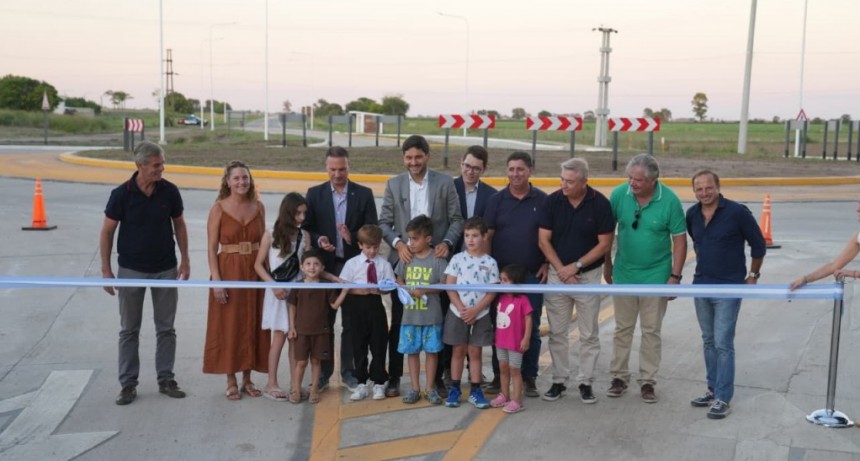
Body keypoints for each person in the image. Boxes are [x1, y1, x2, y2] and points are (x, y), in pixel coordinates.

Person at [99, 141, 189, 406]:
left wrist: (185, 259)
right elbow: (107, 232)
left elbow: (180, 225)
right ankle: (128, 384)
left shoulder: (170, 192)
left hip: (165, 268)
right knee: (129, 330)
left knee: (166, 328)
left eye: (162, 164)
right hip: (130, 270)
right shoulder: (121, 194)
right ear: (140, 166)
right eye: (156, 165)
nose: (161, 169)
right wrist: (106, 270)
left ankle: (166, 379)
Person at [380, 134, 463, 397]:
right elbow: (384, 222)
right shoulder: (394, 185)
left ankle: (435, 381)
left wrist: (447, 243)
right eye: (408, 157)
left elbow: (457, 220)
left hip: (435, 263)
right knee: (400, 324)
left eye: (418, 157)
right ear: (403, 158)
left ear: (427, 156)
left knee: (436, 324)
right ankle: (396, 377)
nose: (413, 162)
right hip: (405, 262)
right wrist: (398, 244)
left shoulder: (445, 183)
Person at [604, 153, 687, 403]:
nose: (632, 183)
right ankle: (619, 377)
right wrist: (608, 265)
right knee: (622, 329)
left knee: (651, 330)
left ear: (653, 180)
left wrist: (675, 276)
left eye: (638, 180)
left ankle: (648, 381)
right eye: (630, 178)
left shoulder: (670, 201)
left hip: (657, 275)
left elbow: (680, 241)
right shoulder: (619, 195)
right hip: (624, 273)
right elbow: (606, 234)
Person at [686, 169, 766, 419]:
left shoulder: (737, 213)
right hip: (701, 286)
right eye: (699, 189)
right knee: (708, 340)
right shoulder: (692, 214)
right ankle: (712, 389)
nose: (704, 193)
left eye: (709, 188)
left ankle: (723, 397)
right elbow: (697, 243)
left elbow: (759, 245)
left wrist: (752, 276)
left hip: (729, 288)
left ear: (718, 187)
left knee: (723, 343)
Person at [538, 158, 615, 404]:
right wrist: (562, 270)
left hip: (588, 277)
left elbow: (604, 244)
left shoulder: (600, 204)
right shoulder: (552, 202)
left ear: (584, 182)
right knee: (557, 333)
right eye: (562, 179)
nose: (564, 185)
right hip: (557, 276)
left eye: (570, 181)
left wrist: (576, 266)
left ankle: (586, 382)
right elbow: (543, 241)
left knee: (589, 333)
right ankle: (559, 380)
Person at [304, 146, 379, 392]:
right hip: (325, 267)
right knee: (325, 320)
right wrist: (319, 241)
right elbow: (309, 227)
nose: (337, 174)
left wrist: (352, 236)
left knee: (351, 323)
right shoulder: (314, 194)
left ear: (349, 167)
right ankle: (324, 372)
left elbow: (372, 229)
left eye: (342, 169)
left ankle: (349, 372)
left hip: (353, 266)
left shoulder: (364, 193)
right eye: (333, 169)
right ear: (326, 168)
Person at [203, 161, 270, 401]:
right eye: (236, 178)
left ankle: (248, 378)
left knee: (252, 321)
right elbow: (211, 248)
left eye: (245, 177)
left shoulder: (259, 207)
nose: (241, 182)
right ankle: (230, 379)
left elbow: (264, 243)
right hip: (228, 270)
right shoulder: (218, 208)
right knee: (230, 324)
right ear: (227, 181)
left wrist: (268, 276)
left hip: (254, 270)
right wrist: (217, 281)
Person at [484, 151, 548, 398]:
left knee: (529, 327)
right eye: (511, 169)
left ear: (530, 170)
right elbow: (488, 236)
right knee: (500, 326)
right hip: (502, 278)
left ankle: (529, 376)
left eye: (520, 169)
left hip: (532, 276)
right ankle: (499, 376)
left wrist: (546, 264)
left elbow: (549, 236)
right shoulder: (496, 201)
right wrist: (491, 271)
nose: (515, 174)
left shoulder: (542, 201)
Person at [253, 192, 310, 401]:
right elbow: (258, 265)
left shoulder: (305, 236)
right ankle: (271, 383)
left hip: (297, 292)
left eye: (304, 213)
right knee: (278, 337)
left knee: (295, 338)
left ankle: (295, 384)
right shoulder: (270, 234)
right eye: (298, 213)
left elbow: (308, 264)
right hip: (277, 292)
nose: (302, 217)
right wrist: (274, 286)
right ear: (288, 212)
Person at [453, 145, 499, 392]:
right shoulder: (448, 188)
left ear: (484, 170)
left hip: (480, 269)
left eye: (477, 168)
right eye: (467, 166)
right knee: (454, 330)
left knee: (478, 331)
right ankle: (449, 379)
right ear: (461, 163)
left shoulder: (492, 195)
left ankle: (477, 379)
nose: (471, 171)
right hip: (453, 264)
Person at [443, 217, 500, 409]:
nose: (470, 239)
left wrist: (476, 310)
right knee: (458, 351)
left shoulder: (490, 262)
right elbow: (449, 285)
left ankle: (476, 390)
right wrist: (461, 308)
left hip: (480, 314)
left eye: (475, 235)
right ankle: (455, 388)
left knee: (475, 352)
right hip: (457, 312)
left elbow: (492, 290)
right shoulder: (457, 259)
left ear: (484, 237)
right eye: (467, 235)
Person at [394, 216, 449, 405]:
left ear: (428, 239)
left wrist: (425, 289)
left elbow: (445, 284)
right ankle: (415, 388)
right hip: (410, 316)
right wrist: (404, 288)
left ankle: (429, 388)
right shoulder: (406, 258)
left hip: (431, 316)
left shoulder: (438, 260)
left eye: (415, 239)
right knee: (412, 352)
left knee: (432, 352)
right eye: (409, 239)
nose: (411, 243)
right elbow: (398, 278)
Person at [338, 224, 395, 401]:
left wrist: (382, 289)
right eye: (368, 247)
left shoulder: (384, 265)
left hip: (375, 305)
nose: (372, 251)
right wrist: (358, 290)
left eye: (375, 247)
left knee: (378, 343)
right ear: (360, 245)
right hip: (356, 306)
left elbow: (390, 287)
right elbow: (343, 285)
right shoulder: (352, 264)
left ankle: (379, 381)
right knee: (358, 345)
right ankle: (361, 382)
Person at [287, 249, 349, 404]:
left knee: (316, 362)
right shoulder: (298, 286)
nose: (312, 267)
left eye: (316, 264)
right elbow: (292, 306)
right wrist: (292, 327)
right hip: (301, 331)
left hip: (321, 331)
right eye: (308, 264)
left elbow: (334, 305)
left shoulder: (326, 286)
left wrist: (345, 291)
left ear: (322, 268)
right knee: (301, 362)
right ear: (302, 267)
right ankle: (296, 389)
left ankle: (314, 390)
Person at [488, 264, 533, 414]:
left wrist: (526, 338)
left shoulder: (523, 300)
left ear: (516, 281)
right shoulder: (500, 298)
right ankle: (504, 395)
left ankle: (516, 400)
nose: (502, 283)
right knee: (503, 368)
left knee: (515, 369)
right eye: (501, 279)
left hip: (515, 342)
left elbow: (528, 319)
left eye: (505, 280)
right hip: (501, 341)